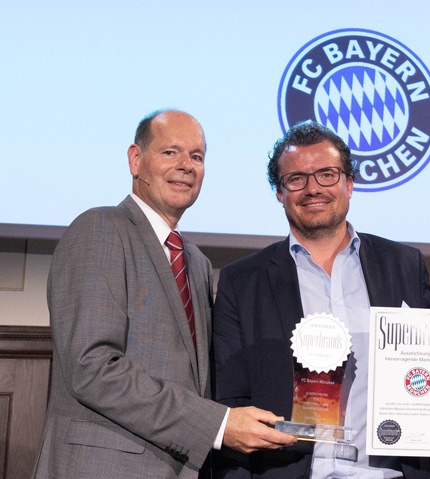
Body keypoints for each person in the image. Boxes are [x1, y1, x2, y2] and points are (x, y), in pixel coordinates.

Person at [212, 120, 430, 478]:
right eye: (296, 179)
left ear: (349, 183)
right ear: (280, 193)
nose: (313, 189)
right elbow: (230, 404)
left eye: (327, 174)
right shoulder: (242, 281)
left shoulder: (403, 265)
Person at [32, 109, 295, 479]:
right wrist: (218, 425)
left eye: (197, 156)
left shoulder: (197, 263)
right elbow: (92, 368)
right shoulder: (100, 229)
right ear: (135, 160)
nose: (186, 165)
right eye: (170, 152)